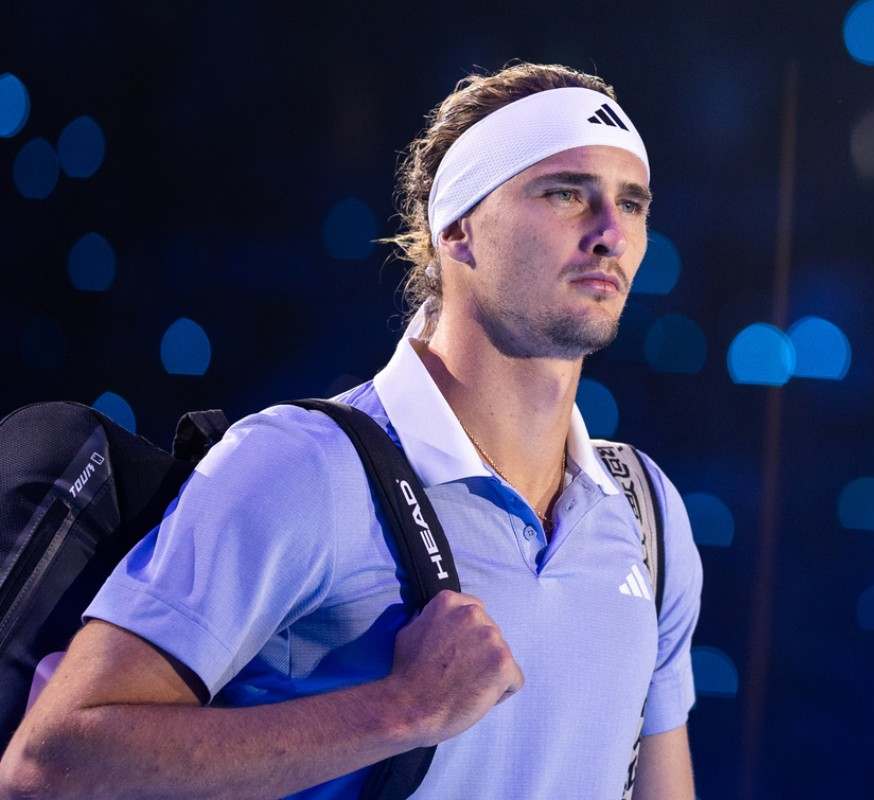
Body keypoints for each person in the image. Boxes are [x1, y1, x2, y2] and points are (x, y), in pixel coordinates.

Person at [0, 61, 703, 799]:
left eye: (631, 204)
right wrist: (400, 709)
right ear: (458, 228)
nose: (610, 235)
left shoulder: (645, 511)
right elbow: (51, 767)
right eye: (565, 194)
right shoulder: (299, 467)